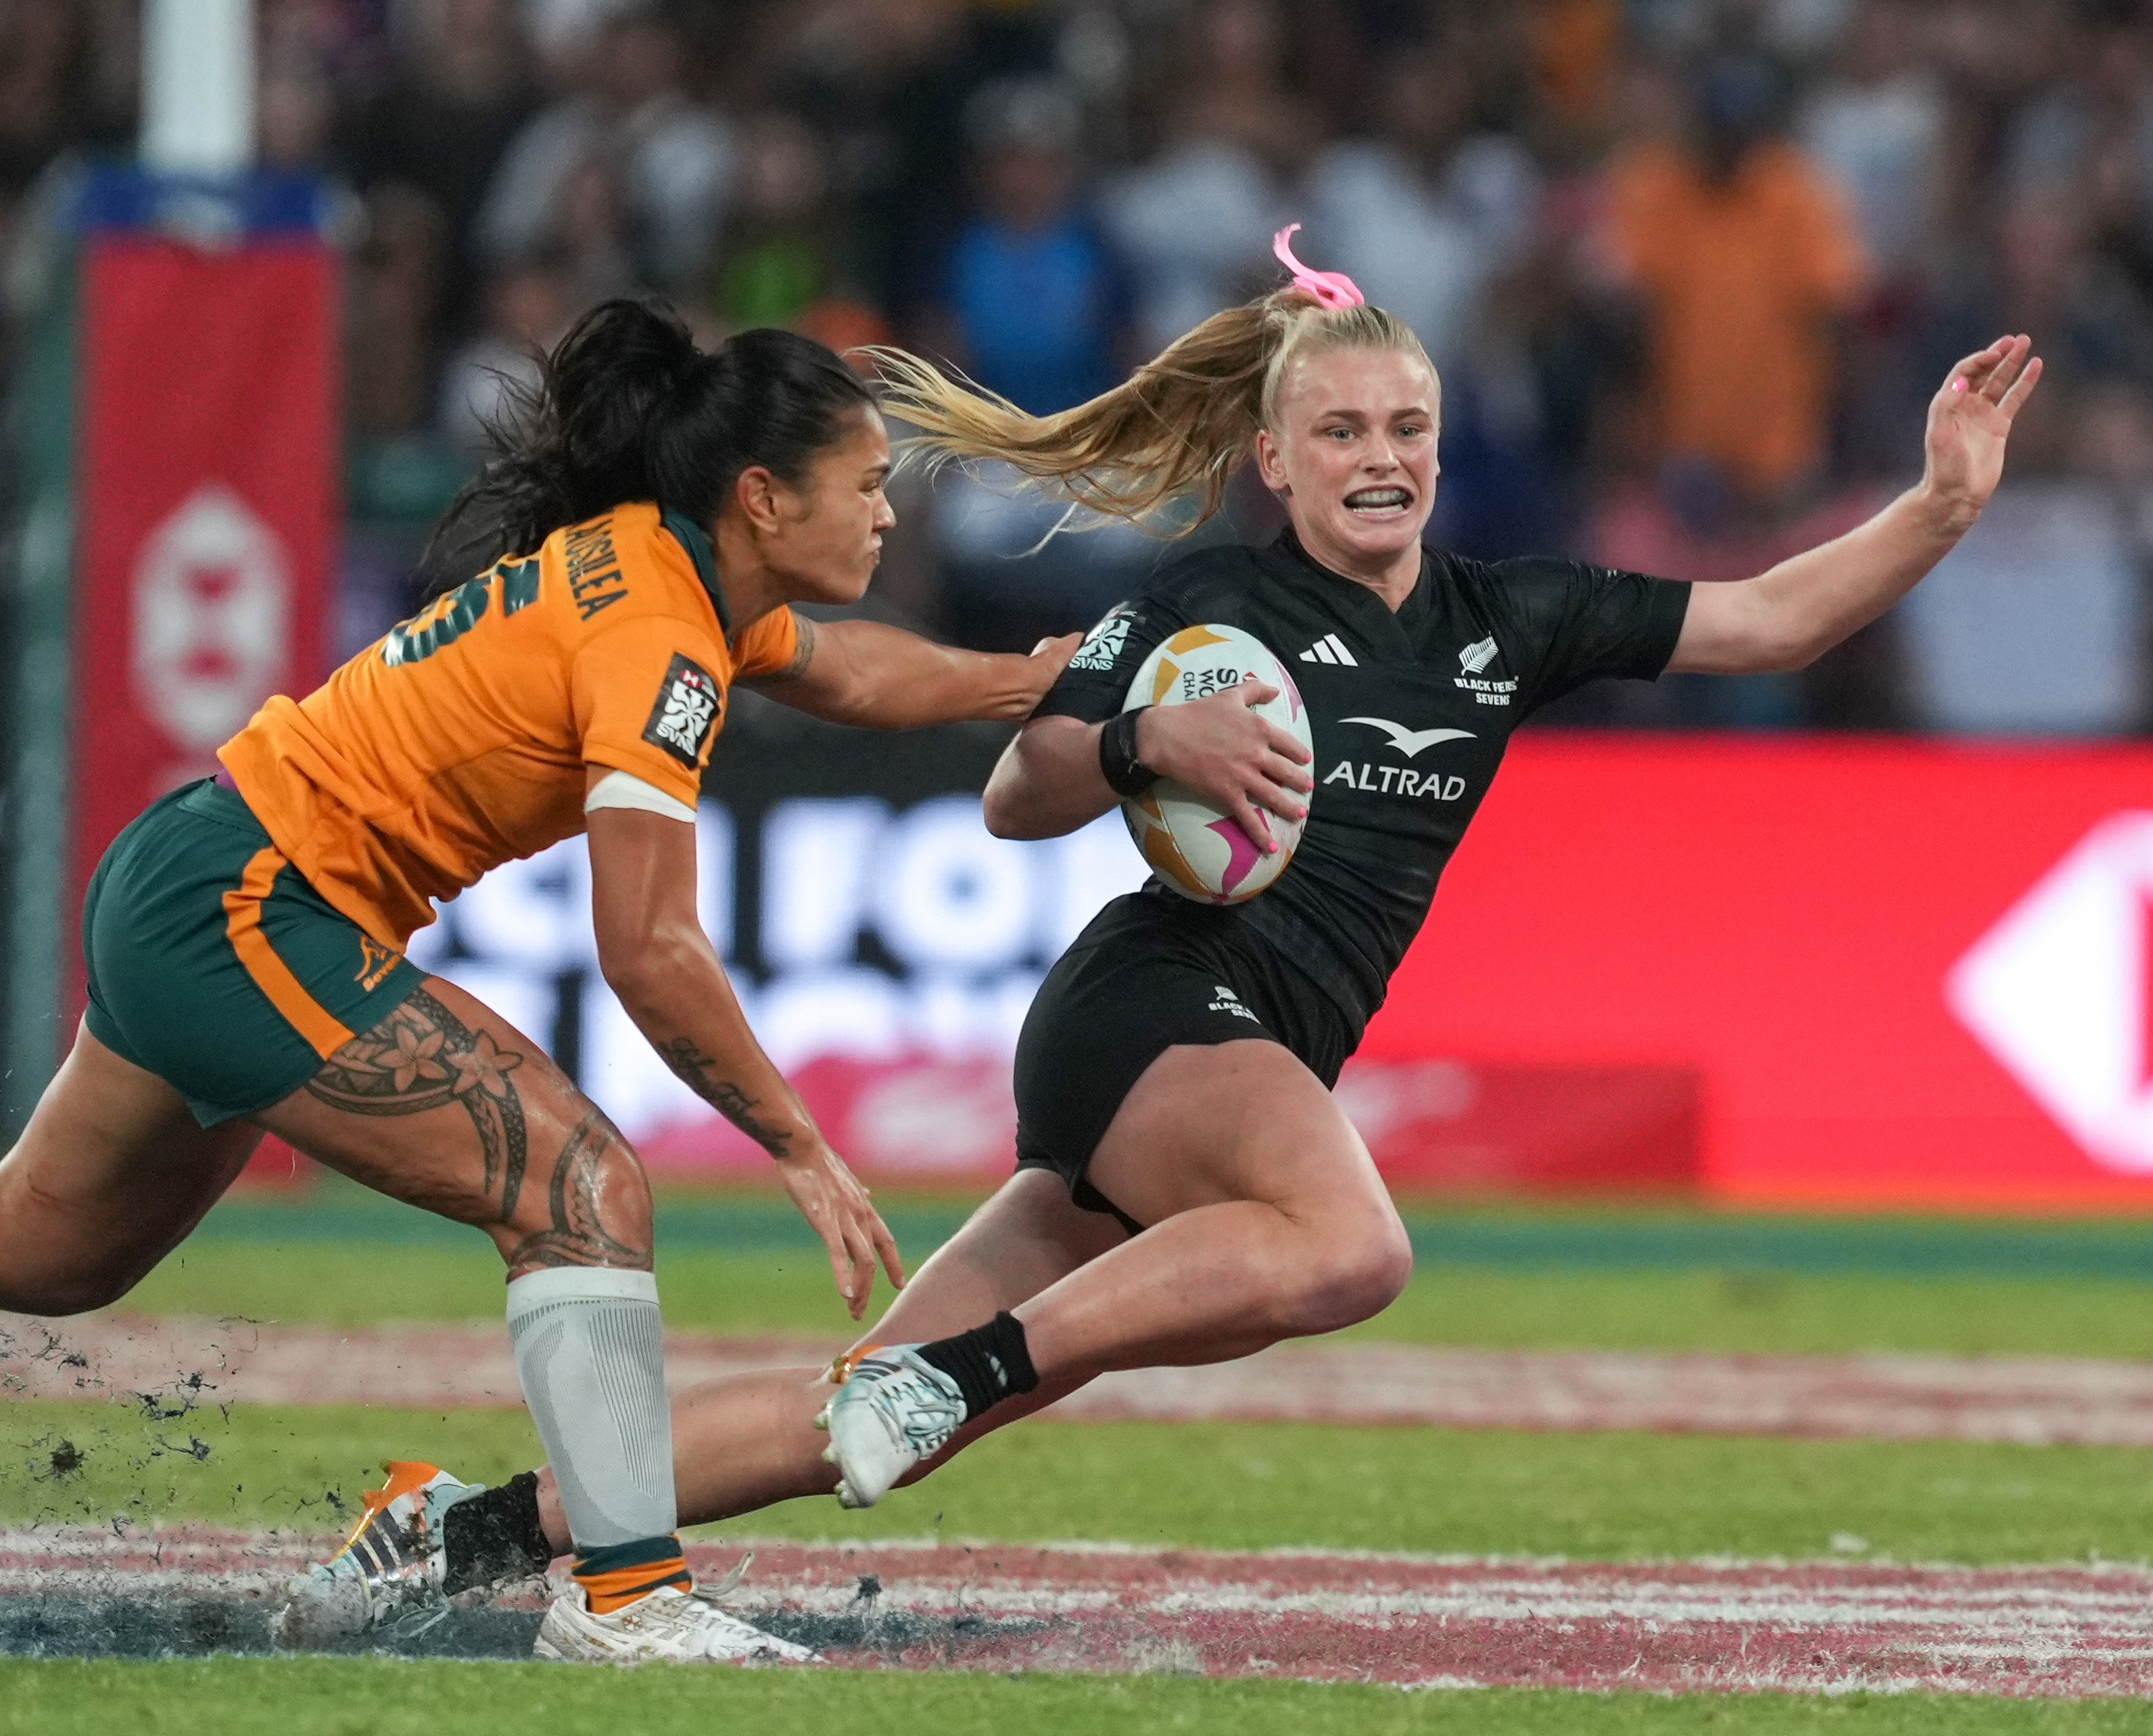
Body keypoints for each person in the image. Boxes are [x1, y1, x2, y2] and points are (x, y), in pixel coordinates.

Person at [302, 228, 2040, 1624]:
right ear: (1271, 459)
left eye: (1405, 429)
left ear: (1439, 449)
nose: (1379, 458)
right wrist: (1145, 738)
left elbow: (1768, 620)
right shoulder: (1213, 600)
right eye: (1340, 433)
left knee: (859, 1411)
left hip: (1235, 1054)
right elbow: (1020, 793)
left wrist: (1941, 505)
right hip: (1156, 1008)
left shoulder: (1511, 617)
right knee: (1350, 1247)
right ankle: (965, 1373)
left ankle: (461, 1528)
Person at [0, 297, 1081, 1666]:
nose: (890, 513)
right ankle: (625, 1598)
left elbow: (847, 669)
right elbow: (647, 947)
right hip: (252, 907)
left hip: (205, 875)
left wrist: (1027, 681)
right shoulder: (657, 638)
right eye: (866, 483)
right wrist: (797, 1141)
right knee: (583, 1188)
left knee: (35, 1246)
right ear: (762, 499)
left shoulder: (667, 575)